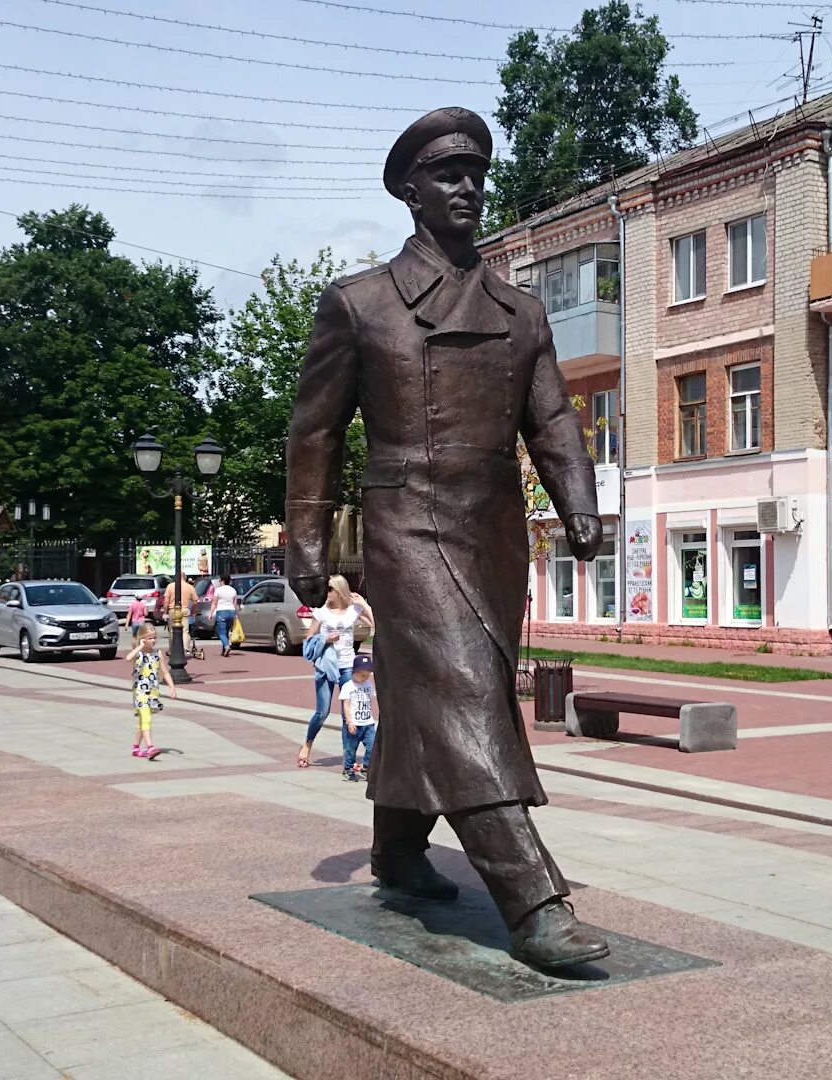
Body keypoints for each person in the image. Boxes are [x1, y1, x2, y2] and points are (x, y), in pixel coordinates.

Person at [285, 107, 607, 968]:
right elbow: (314, 432)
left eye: (475, 174)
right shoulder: (361, 304)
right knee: (463, 691)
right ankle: (532, 900)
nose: (467, 187)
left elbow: (553, 419)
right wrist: (306, 540)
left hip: (494, 529)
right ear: (409, 191)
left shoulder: (521, 311)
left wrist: (579, 499)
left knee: (449, 690)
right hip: (407, 520)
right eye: (446, 174)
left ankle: (396, 849)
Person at [296, 574, 369, 768]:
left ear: (339, 591)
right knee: (322, 712)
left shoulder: (353, 610)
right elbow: (309, 640)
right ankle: (307, 744)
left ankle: (349, 758)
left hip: (347, 667)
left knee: (348, 715)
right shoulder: (320, 612)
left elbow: (376, 624)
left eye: (330, 589)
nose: (326, 593)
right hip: (326, 667)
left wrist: (365, 605)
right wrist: (325, 639)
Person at [126, 625, 172, 760]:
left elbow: (165, 672)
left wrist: (172, 687)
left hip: (152, 692)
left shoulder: (157, 654)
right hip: (140, 691)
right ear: (143, 639)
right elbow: (128, 658)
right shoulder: (138, 654)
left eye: (154, 638)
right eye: (149, 638)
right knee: (146, 718)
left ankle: (136, 747)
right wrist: (139, 647)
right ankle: (150, 747)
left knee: (142, 720)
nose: (153, 641)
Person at [340, 653, 378, 782]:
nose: (365, 678)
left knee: (372, 746)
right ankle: (348, 769)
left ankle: (366, 767)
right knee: (351, 748)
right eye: (362, 675)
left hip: (368, 723)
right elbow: (346, 705)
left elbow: (372, 700)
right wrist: (349, 722)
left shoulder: (368, 685)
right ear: (354, 672)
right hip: (354, 723)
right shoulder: (348, 686)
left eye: (367, 676)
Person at [211, 577, 239, 658]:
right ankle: (224, 650)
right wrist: (235, 614)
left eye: (220, 580)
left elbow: (214, 603)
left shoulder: (218, 590)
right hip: (231, 612)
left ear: (222, 581)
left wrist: (211, 613)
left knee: (220, 632)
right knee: (226, 631)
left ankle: (226, 646)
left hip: (222, 612)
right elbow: (235, 603)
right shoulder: (233, 590)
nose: (219, 582)